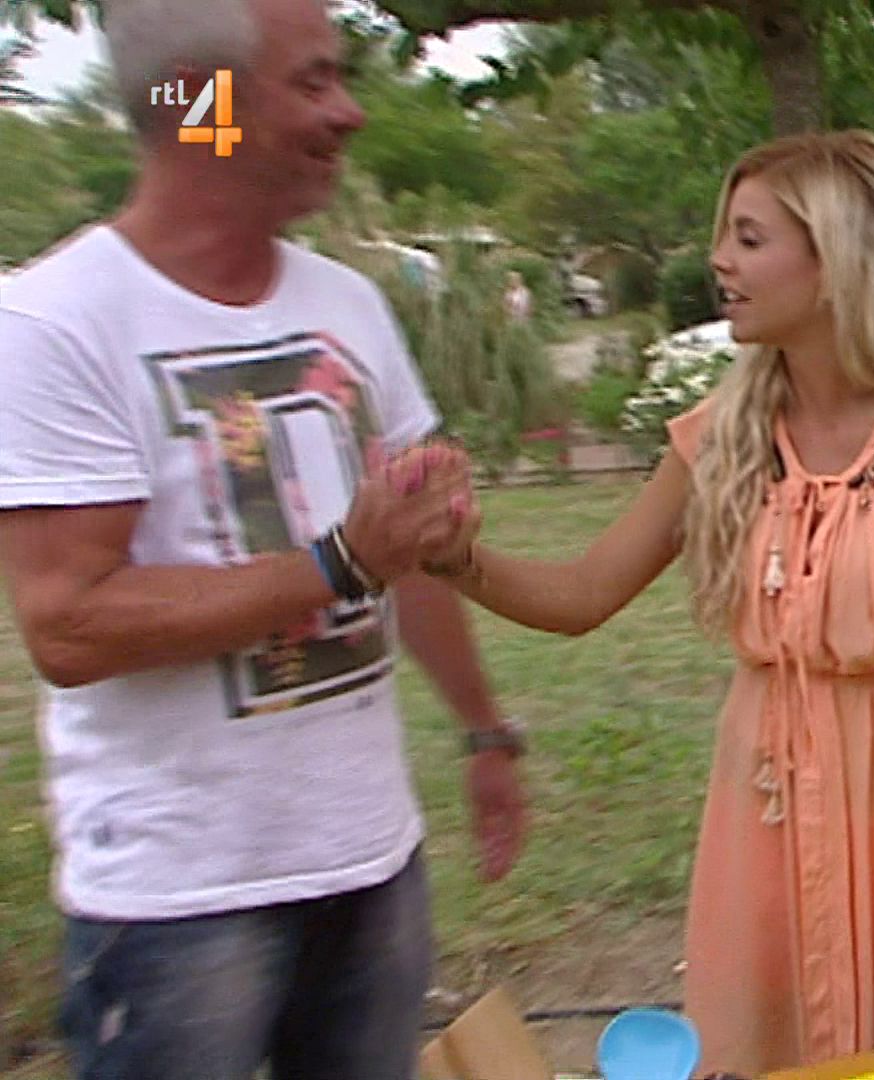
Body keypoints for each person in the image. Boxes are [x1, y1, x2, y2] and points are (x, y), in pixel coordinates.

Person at [415, 130, 874, 1074]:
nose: (719, 259)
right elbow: (584, 593)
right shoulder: (724, 435)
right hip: (762, 824)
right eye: (725, 235)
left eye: (750, 238)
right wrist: (459, 562)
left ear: (834, 259)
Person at [0, 1, 527, 1076]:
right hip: (179, 908)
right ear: (204, 105)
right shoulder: (57, 322)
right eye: (314, 81)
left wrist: (483, 731)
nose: (351, 112)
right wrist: (340, 562)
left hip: (371, 865)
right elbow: (70, 626)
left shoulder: (350, 304)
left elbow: (409, 551)